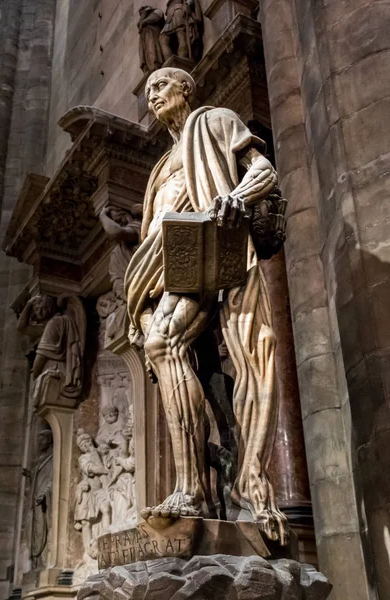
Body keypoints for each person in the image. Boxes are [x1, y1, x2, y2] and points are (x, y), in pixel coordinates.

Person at [120, 67, 287, 544]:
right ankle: (207, 485)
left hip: (202, 242)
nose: (152, 94)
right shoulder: (159, 166)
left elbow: (263, 170)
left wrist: (234, 198)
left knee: (163, 343)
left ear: (186, 90)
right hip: (157, 266)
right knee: (187, 367)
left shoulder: (214, 121)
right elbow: (152, 226)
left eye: (161, 85)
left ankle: (191, 488)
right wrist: (138, 294)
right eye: (148, 89)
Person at [29, 429, 53, 569]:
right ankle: (36, 563)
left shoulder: (52, 458)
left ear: (49, 440)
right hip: (35, 500)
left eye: (42, 440)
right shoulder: (40, 460)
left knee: (42, 528)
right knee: (34, 530)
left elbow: (52, 479)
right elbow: (39, 477)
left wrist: (44, 494)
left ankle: (43, 562)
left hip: (42, 499)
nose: (39, 443)